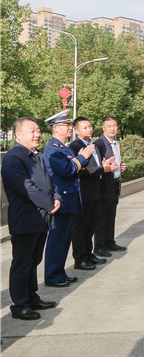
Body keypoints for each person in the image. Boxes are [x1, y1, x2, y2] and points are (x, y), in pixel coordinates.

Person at [1, 117, 60, 319]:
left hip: (40, 218)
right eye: (32, 131)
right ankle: (20, 305)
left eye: (38, 130)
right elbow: (27, 188)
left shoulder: (37, 155)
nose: (37, 134)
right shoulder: (13, 158)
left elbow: (50, 182)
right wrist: (49, 203)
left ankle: (32, 297)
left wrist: (57, 197)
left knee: (34, 260)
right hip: (25, 218)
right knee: (22, 262)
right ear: (18, 134)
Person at [43, 110, 94, 287]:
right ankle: (52, 276)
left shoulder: (63, 147)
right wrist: (82, 157)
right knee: (57, 240)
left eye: (69, 125)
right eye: (66, 125)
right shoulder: (53, 149)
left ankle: (60, 273)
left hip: (70, 200)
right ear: (56, 128)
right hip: (61, 201)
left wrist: (81, 159)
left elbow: (75, 168)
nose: (69, 128)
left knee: (65, 241)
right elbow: (66, 170)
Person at [70, 117, 117, 270]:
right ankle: (80, 258)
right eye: (85, 127)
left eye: (90, 126)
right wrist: (103, 169)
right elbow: (83, 170)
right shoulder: (75, 146)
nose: (89, 129)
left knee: (91, 226)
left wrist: (104, 165)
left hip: (96, 191)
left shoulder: (93, 144)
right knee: (81, 227)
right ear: (77, 131)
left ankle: (89, 254)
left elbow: (95, 165)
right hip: (83, 192)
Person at [94, 116, 128, 257]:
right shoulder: (99, 144)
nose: (112, 129)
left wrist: (121, 166)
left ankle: (109, 242)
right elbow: (97, 166)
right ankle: (99, 246)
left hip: (115, 183)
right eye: (109, 126)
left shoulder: (115, 143)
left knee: (111, 215)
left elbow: (115, 162)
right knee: (102, 216)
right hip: (104, 186)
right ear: (103, 128)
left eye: (114, 126)